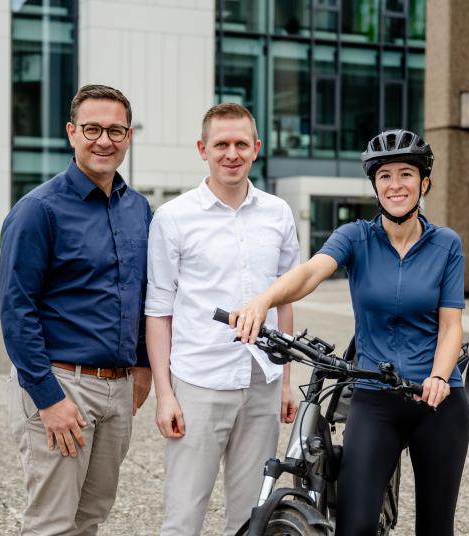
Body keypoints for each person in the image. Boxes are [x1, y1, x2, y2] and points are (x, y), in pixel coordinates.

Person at [233, 129, 469, 536]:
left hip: (437, 399)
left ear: (424, 182)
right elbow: (310, 273)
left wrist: (437, 376)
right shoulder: (356, 237)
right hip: (374, 396)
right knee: (354, 525)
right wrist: (263, 301)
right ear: (374, 186)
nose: (396, 185)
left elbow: (451, 327)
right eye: (385, 176)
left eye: (406, 174)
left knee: (436, 527)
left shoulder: (446, 244)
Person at [0, 84, 153, 536]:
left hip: (118, 389)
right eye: (92, 129)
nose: (103, 140)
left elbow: (142, 293)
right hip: (61, 384)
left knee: (90, 519)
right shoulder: (38, 210)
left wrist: (141, 365)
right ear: (71, 132)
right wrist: (48, 399)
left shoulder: (138, 208)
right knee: (52, 523)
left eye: (115, 130)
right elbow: (16, 309)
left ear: (127, 136)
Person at [145, 102, 300, 536]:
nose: (231, 154)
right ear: (203, 148)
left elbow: (285, 299)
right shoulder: (173, 218)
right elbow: (158, 312)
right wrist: (165, 396)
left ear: (257, 148)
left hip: (263, 380)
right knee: (183, 515)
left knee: (251, 516)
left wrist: (285, 381)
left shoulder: (278, 213)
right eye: (221, 144)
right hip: (199, 381)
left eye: (241, 144)